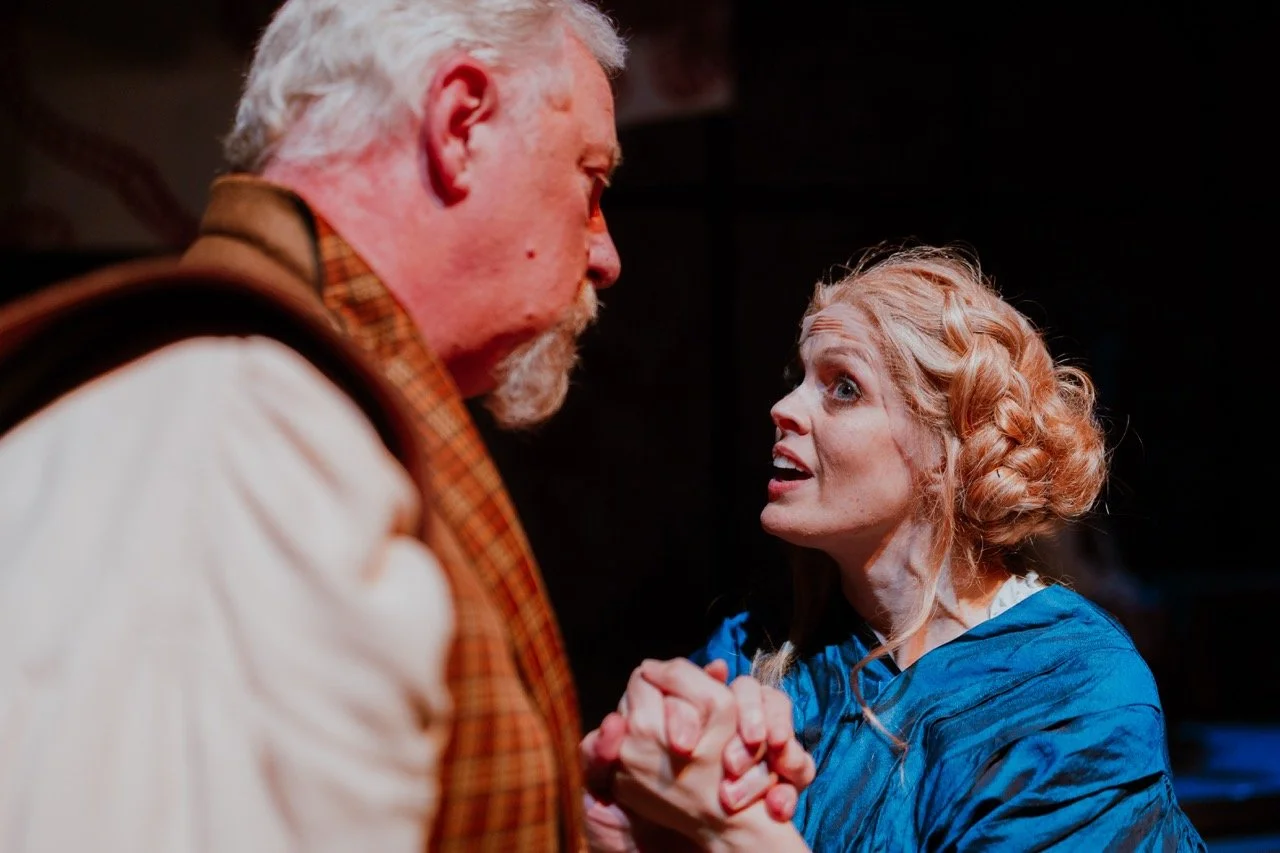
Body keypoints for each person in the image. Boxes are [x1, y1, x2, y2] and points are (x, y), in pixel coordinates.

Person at [0, 2, 811, 850]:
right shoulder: (240, 442)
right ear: (460, 125)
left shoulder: (280, 412)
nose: (606, 254)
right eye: (591, 180)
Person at [583, 245, 1207, 851]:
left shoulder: (1070, 690)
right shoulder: (757, 652)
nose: (783, 408)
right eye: (800, 377)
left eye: (843, 387)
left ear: (947, 451)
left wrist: (735, 829)